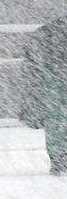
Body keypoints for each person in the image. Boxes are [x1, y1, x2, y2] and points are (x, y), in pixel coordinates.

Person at [31, 17, 67, 175]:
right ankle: (60, 158)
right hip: (54, 86)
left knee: (55, 123)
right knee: (56, 122)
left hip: (53, 87)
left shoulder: (49, 33)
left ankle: (58, 159)